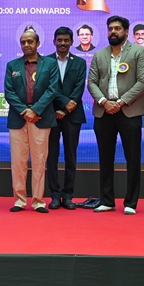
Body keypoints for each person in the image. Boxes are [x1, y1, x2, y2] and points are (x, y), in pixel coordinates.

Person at [87, 15, 144, 215]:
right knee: (105, 158)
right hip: (104, 111)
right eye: (110, 29)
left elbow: (143, 81)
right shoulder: (99, 55)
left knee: (133, 158)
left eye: (117, 28)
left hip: (129, 111)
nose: (113, 32)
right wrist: (104, 102)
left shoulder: (139, 52)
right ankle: (107, 200)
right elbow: (92, 83)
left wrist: (121, 102)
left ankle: (130, 203)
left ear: (126, 31)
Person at [5, 30, 59, 213]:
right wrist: (25, 111)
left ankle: (38, 201)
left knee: (39, 162)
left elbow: (52, 89)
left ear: (38, 43)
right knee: (18, 162)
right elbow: (9, 92)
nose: (26, 45)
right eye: (23, 42)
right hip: (18, 118)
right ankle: (19, 200)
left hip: (40, 118)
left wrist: (35, 110)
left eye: (30, 41)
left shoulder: (50, 63)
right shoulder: (12, 65)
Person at [46, 27, 87, 210]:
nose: (62, 43)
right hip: (51, 114)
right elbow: (48, 88)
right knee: (51, 156)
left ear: (71, 42)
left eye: (66, 40)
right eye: (59, 40)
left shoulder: (80, 62)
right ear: (54, 41)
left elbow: (79, 88)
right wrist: (62, 105)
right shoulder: (46, 61)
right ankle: (54, 195)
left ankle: (68, 195)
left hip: (73, 114)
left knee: (71, 156)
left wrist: (67, 107)